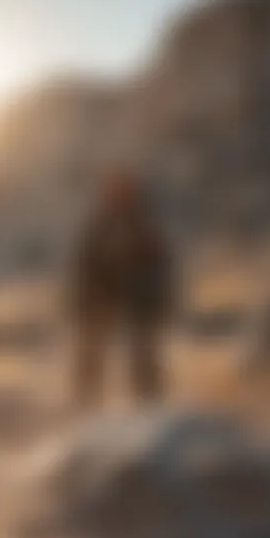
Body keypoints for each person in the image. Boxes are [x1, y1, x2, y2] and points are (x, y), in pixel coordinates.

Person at [69, 170, 174, 407]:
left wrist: (158, 298)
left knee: (143, 355)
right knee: (91, 351)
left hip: (137, 298)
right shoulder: (100, 226)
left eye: (123, 192)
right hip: (103, 297)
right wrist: (83, 299)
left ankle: (150, 404)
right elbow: (85, 265)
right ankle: (85, 400)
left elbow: (159, 267)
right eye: (114, 192)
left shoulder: (143, 228)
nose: (119, 197)